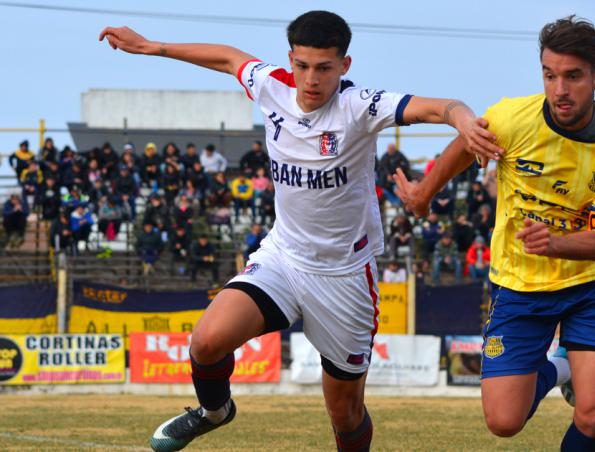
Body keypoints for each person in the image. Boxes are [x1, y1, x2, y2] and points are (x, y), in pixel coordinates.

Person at [100, 9, 498, 452]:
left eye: (324, 68)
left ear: (344, 66)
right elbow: (229, 58)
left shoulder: (358, 106)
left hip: (344, 277)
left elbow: (438, 107)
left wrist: (461, 118)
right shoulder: (273, 86)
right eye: (303, 65)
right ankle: (214, 411)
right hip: (284, 259)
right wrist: (152, 46)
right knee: (207, 340)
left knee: (344, 413)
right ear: (291, 59)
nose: (312, 79)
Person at [395, 16, 595, 451]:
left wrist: (556, 242)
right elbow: (465, 145)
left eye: (572, 77)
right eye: (549, 76)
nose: (559, 90)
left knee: (594, 415)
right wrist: (422, 194)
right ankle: (561, 368)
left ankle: (576, 374)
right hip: (520, 283)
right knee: (504, 422)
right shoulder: (512, 118)